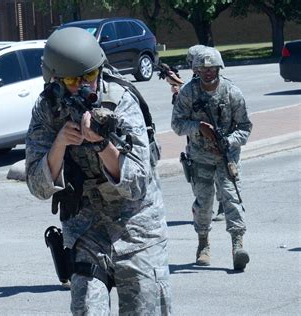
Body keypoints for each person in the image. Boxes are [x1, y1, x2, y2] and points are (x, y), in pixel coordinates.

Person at [26, 27, 171, 315]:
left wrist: (102, 144)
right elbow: (38, 186)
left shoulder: (121, 99)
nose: (84, 86)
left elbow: (138, 182)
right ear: (54, 79)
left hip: (137, 227)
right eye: (72, 80)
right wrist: (61, 144)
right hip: (86, 229)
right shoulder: (47, 109)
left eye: (90, 76)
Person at [171, 47, 252, 270]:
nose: (207, 73)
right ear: (196, 69)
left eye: (212, 68)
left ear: (219, 68)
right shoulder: (188, 93)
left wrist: (229, 140)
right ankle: (203, 243)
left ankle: (238, 245)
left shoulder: (231, 92)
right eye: (202, 69)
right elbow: (177, 124)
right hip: (200, 157)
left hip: (226, 157)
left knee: (231, 199)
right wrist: (198, 127)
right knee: (204, 202)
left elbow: (245, 127)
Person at [166, 44, 226, 222]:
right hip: (196, 136)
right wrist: (176, 89)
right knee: (198, 174)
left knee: (217, 174)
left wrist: (177, 84)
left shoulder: (212, 81)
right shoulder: (194, 81)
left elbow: (200, 98)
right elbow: (181, 112)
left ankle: (220, 207)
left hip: (211, 136)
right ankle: (207, 207)